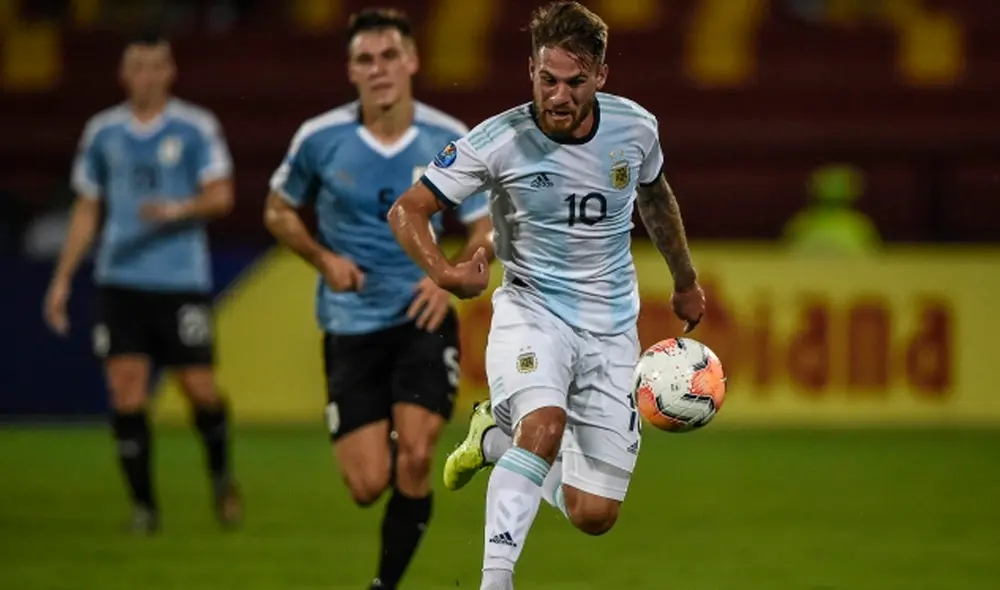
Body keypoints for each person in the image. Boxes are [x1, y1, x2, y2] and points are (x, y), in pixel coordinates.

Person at [387, 2, 706, 589]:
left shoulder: (635, 129)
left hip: (612, 329)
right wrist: (445, 272)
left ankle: (495, 435)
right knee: (546, 421)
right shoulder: (498, 140)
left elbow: (656, 200)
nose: (558, 96)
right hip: (531, 311)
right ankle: (495, 580)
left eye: (575, 82)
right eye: (546, 79)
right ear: (530, 69)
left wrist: (684, 280)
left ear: (601, 77)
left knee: (594, 514)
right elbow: (408, 209)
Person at [262, 8, 492, 590]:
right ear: (351, 70)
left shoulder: (449, 138)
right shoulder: (320, 140)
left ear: (412, 60)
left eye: (390, 56)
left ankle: (382, 586)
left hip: (423, 315)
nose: (379, 68)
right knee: (367, 486)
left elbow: (487, 226)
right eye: (366, 59)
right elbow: (277, 209)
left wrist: (446, 272)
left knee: (416, 455)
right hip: (350, 322)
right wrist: (323, 258)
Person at [43, 32, 241, 534]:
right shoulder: (103, 132)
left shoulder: (196, 127)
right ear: (123, 73)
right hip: (119, 280)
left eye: (156, 66)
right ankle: (144, 507)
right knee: (125, 393)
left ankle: (220, 476)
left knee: (200, 390)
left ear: (170, 71)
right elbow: (88, 207)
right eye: (138, 66)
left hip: (179, 281)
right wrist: (63, 278)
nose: (147, 76)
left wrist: (180, 209)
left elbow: (222, 196)